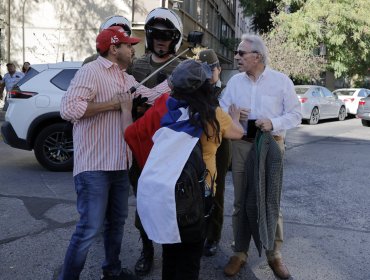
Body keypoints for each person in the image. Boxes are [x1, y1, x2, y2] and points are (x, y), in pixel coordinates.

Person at [58, 26, 170, 280]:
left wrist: (172, 82)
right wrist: (114, 104)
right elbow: (69, 109)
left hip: (120, 164)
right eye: (128, 45)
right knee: (89, 228)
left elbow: (150, 96)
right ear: (113, 48)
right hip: (94, 167)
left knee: (116, 224)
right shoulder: (91, 71)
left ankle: (112, 270)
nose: (133, 50)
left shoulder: (125, 77)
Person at [124, 59, 244, 280]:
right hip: (200, 192)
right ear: (205, 86)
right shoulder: (213, 114)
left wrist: (125, 110)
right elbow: (237, 133)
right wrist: (235, 117)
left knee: (170, 255)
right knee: (190, 263)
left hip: (168, 193)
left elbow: (131, 134)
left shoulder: (162, 106)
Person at [220, 34, 301, 279]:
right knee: (240, 202)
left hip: (271, 146)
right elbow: (221, 108)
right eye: (237, 53)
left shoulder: (281, 81)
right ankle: (240, 252)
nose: (236, 57)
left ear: (257, 56)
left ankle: (274, 254)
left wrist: (273, 122)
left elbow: (296, 114)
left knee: (270, 200)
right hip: (242, 145)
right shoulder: (234, 82)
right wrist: (233, 117)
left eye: (241, 53)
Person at [128, 7, 183, 276]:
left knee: (173, 200)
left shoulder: (182, 67)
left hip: (172, 146)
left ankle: (173, 251)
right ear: (149, 36)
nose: (161, 39)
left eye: (167, 35)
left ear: (175, 38)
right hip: (142, 145)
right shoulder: (135, 66)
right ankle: (147, 250)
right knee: (144, 200)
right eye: (156, 34)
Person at [198, 49, 231, 256]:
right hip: (201, 142)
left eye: (212, 69)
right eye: (204, 70)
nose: (209, 74)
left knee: (217, 190)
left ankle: (213, 236)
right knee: (199, 189)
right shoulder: (197, 89)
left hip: (222, 142)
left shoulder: (226, 91)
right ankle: (199, 231)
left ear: (219, 69)